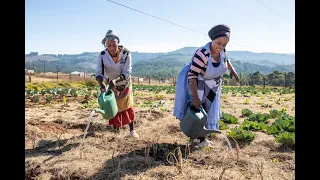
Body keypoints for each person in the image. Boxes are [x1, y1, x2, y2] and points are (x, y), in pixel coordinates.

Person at [173, 24, 239, 148]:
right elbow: (192, 76)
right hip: (198, 83)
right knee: (198, 111)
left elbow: (226, 59)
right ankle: (196, 139)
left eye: (224, 44)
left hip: (212, 85)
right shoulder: (202, 53)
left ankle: (201, 139)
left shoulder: (223, 51)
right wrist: (195, 97)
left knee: (206, 112)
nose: (220, 47)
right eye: (218, 43)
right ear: (212, 40)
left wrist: (232, 69)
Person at [95, 30, 139, 138]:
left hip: (124, 82)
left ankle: (132, 131)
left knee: (127, 105)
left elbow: (127, 72)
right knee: (112, 106)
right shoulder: (102, 55)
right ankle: (116, 131)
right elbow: (99, 72)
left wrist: (116, 82)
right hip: (109, 83)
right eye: (109, 45)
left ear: (118, 43)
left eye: (114, 45)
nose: (112, 48)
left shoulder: (126, 53)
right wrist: (102, 84)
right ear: (106, 45)